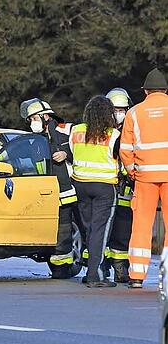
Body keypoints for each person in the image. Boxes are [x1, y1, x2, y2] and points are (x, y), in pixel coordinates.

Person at [19, 98, 80, 277]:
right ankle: (61, 267)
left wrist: (66, 153)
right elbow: (16, 150)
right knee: (60, 230)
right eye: (30, 120)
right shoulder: (35, 140)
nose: (32, 123)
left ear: (46, 116)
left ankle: (82, 267)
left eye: (35, 118)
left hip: (74, 188)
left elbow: (85, 150)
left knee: (76, 229)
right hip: (50, 193)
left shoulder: (68, 130)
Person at [121, 68, 168, 289]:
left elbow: (125, 149)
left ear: (146, 91)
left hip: (144, 177)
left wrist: (133, 172)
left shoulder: (134, 113)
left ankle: (137, 275)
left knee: (141, 225)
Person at [69, 95, 121, 287]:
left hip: (80, 185)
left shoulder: (76, 131)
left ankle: (91, 270)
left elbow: (73, 153)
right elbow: (120, 157)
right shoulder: (114, 135)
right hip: (104, 187)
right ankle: (96, 274)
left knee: (89, 229)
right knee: (100, 230)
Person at [104, 88, 134, 283]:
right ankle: (100, 268)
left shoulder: (131, 130)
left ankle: (120, 269)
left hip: (125, 188)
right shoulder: (100, 131)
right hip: (105, 187)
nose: (118, 113)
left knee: (122, 230)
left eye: (122, 109)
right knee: (102, 229)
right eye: (115, 109)